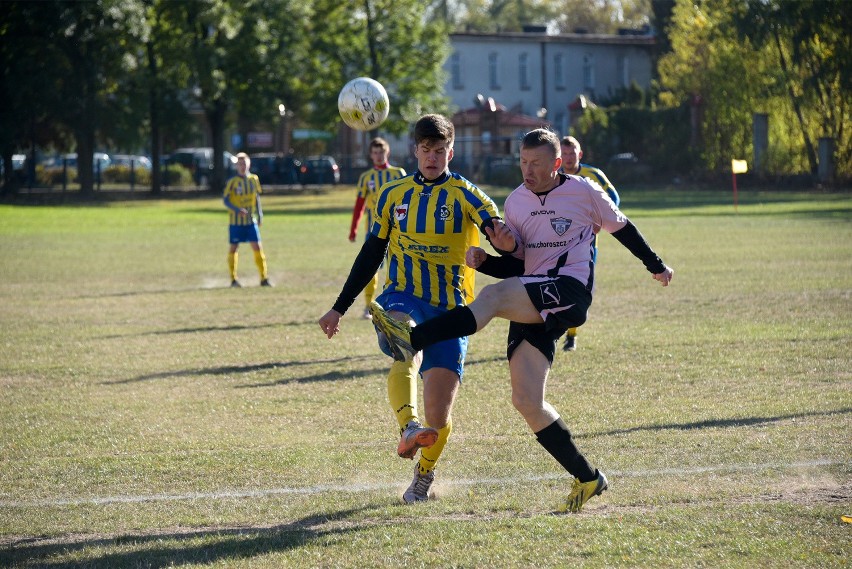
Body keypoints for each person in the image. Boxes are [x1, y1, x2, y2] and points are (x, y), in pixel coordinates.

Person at [371, 128, 673, 513]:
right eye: (523, 163)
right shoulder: (516, 202)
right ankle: (587, 477)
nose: (527, 171)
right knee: (527, 400)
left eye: (536, 164)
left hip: (567, 290)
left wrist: (656, 265)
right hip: (532, 295)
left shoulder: (584, 192)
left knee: (493, 299)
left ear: (557, 164)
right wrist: (488, 262)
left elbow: (623, 229)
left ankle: (413, 338)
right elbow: (519, 263)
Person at [319, 114, 502, 504]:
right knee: (401, 338)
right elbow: (371, 254)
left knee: (440, 417)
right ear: (414, 150)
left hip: (451, 310)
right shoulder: (393, 195)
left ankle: (423, 477)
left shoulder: (468, 195)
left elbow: (498, 229)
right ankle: (407, 426)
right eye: (425, 150)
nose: (432, 157)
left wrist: (498, 242)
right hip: (400, 295)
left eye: (439, 151)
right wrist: (339, 307)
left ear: (450, 151)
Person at [559, 135, 621, 352]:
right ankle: (553, 329)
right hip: (557, 241)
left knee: (580, 288)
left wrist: (599, 219)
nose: (568, 157)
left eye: (571, 153)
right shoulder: (554, 176)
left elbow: (613, 198)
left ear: (580, 154)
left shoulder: (593, 175)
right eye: (564, 153)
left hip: (587, 243)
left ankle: (571, 335)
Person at [349, 137, 407, 319]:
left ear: (387, 152)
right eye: (375, 153)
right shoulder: (366, 178)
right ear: (370, 155)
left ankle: (399, 306)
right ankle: (368, 307)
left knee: (399, 269)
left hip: (398, 231)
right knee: (370, 268)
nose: (378, 156)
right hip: (374, 231)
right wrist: (353, 229)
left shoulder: (399, 174)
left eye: (381, 152)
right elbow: (359, 205)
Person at [223, 152, 272, 288]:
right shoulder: (232, 182)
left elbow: (256, 198)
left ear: (248, 164)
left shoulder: (253, 179)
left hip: (251, 221)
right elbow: (226, 200)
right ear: (236, 166)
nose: (242, 166)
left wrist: (260, 214)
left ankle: (264, 278)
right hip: (235, 222)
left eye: (244, 163)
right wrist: (237, 210)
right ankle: (233, 279)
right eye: (240, 164)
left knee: (257, 246)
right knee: (234, 248)